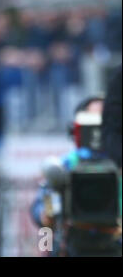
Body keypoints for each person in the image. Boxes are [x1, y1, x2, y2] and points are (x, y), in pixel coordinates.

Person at [31, 96, 122, 257]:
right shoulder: (63, 167)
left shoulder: (119, 166)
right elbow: (44, 208)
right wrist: (48, 218)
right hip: (73, 246)